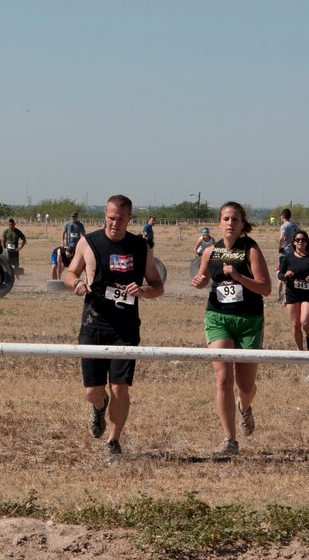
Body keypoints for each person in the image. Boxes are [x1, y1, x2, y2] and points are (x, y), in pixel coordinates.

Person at [64, 195, 165, 457]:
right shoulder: (89, 242)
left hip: (125, 328)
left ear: (129, 219)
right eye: (110, 217)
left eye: (121, 219)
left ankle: (113, 441)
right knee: (92, 391)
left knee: (120, 386)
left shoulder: (141, 246)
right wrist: (76, 284)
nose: (114, 223)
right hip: (93, 324)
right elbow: (70, 272)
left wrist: (143, 290)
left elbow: (157, 286)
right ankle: (99, 407)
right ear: (104, 216)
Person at [190, 201, 272, 459]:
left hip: (248, 320)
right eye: (226, 218)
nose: (230, 223)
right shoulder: (209, 251)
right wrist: (200, 281)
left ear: (241, 224)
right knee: (223, 379)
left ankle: (244, 407)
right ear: (219, 222)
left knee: (245, 386)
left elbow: (265, 288)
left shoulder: (251, 249)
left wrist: (239, 277)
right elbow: (203, 279)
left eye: (235, 219)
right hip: (218, 317)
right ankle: (230, 441)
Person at [278, 229, 309, 351]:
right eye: (297, 240)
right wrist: (285, 276)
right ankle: (300, 351)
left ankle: (308, 336)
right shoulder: (287, 257)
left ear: (307, 242)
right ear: (293, 242)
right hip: (292, 292)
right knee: (295, 324)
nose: (300, 242)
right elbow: (280, 275)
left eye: (303, 240)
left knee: (304, 322)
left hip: (308, 293)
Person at [277, 209, 300, 301]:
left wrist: (279, 247)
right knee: (292, 274)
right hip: (294, 253)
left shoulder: (284, 226)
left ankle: (282, 296)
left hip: (285, 253)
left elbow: (281, 237)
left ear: (282, 216)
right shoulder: (295, 226)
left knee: (282, 274)